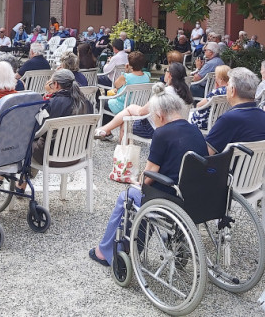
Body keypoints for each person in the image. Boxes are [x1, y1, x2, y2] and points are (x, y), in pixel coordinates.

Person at [89, 84, 208, 266]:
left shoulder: (162, 133)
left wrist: (136, 182)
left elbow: (149, 175)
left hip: (171, 198)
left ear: (159, 115)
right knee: (143, 195)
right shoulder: (195, 130)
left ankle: (104, 251)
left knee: (128, 196)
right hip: (196, 195)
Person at [95, 62, 192, 142]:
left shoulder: (164, 92)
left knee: (125, 122)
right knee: (130, 110)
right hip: (176, 128)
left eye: (166, 71)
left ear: (170, 75)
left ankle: (123, 155)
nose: (165, 73)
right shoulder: (184, 91)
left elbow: (142, 112)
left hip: (156, 128)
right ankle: (105, 130)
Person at [206, 67, 265, 154]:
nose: (226, 88)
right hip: (255, 166)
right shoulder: (262, 115)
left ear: (232, 90)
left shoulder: (229, 119)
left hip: (229, 167)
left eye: (228, 85)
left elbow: (206, 153)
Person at [31, 69, 93, 163]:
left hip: (51, 158)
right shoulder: (87, 103)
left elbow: (36, 128)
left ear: (56, 84)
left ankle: (26, 175)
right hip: (76, 156)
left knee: (24, 144)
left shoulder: (52, 103)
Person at [101, 51, 151, 116]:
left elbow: (116, 85)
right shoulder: (147, 76)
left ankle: (110, 124)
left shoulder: (126, 77)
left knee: (102, 102)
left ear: (130, 64)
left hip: (123, 106)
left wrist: (126, 71)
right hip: (139, 106)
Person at [191, 64, 230, 131]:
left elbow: (199, 105)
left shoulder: (216, 92)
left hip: (206, 122)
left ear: (221, 79)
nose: (215, 78)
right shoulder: (231, 91)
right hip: (221, 121)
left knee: (189, 113)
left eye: (216, 76)